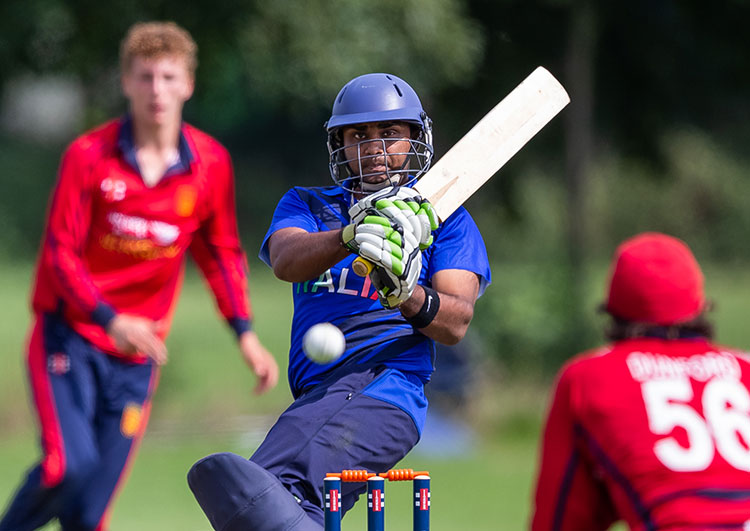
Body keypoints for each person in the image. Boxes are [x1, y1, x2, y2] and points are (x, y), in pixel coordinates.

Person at [0, 21, 278, 531]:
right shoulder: (89, 156)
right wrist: (110, 319)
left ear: (188, 85)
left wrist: (246, 335)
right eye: (145, 77)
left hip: (137, 357)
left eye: (169, 77)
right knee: (67, 467)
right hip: (70, 337)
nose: (157, 90)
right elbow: (60, 254)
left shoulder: (210, 164)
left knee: (89, 514)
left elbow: (220, 256)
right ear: (126, 82)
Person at [187, 72, 491, 530]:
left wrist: (407, 295)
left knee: (264, 491)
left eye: (389, 133)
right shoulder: (307, 205)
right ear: (340, 145)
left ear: (414, 138)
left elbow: (455, 322)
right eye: (359, 135)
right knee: (268, 505)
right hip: (317, 397)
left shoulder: (445, 221)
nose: (373, 146)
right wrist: (351, 235)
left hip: (387, 389)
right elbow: (287, 258)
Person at [531, 232, 750, 530]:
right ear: (699, 305)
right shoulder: (744, 366)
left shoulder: (588, 377)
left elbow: (561, 520)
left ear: (613, 309)